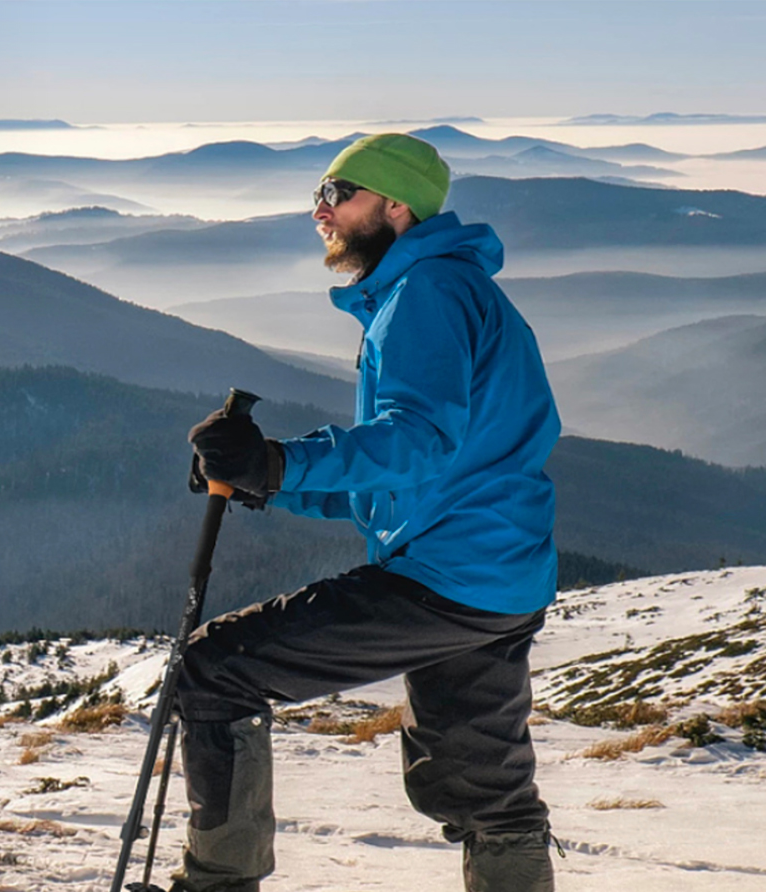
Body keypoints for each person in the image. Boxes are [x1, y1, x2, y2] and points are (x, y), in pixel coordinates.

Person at [172, 133, 562, 892]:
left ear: (395, 205)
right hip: (499, 575)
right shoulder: (445, 288)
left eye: (337, 192)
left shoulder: (427, 295)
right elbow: (409, 473)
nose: (319, 210)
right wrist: (267, 480)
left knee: (215, 671)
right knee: (484, 792)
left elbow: (413, 440)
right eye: (318, 193)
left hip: (447, 574)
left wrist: (278, 462)